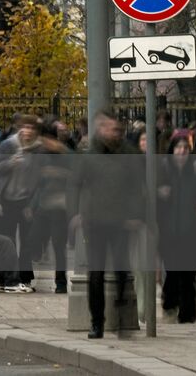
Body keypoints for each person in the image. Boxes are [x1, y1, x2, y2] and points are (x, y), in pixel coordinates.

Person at [69, 112, 143, 339]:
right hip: (94, 222)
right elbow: (74, 184)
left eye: (116, 128)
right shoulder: (89, 156)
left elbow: (137, 187)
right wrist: (75, 213)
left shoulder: (128, 153)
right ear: (101, 130)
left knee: (121, 270)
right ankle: (97, 322)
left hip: (121, 222)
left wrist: (136, 215)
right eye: (109, 128)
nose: (113, 132)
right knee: (96, 274)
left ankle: (121, 317)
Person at [158, 133, 196, 323]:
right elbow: (152, 201)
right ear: (172, 150)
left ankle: (187, 314)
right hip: (169, 234)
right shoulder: (164, 173)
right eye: (178, 147)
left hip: (191, 235)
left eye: (185, 148)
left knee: (189, 275)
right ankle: (170, 306)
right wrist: (159, 194)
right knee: (172, 273)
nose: (181, 151)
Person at [0, 113, 42, 291]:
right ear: (20, 129)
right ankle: (3, 277)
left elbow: (40, 180)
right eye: (25, 127)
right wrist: (9, 163)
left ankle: (25, 277)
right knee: (7, 240)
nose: (28, 131)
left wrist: (31, 205)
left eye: (32, 128)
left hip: (26, 201)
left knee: (28, 241)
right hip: (6, 199)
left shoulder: (38, 150)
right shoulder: (8, 145)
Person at [31, 121, 70, 293]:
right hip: (43, 203)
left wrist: (57, 173)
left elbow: (77, 174)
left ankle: (61, 283)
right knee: (32, 238)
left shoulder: (65, 153)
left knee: (58, 246)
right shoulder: (41, 153)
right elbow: (36, 180)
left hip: (60, 205)